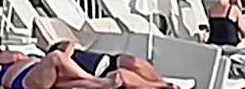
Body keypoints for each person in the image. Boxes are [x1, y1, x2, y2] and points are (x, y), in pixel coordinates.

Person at [42, 37, 170, 88]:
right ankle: (159, 86)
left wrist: (65, 54)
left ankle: (164, 84)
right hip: (99, 75)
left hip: (107, 60)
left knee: (136, 63)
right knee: (123, 76)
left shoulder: (59, 52)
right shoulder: (53, 70)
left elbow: (70, 43)